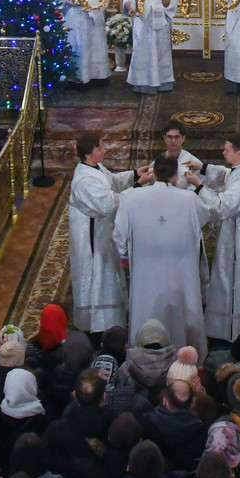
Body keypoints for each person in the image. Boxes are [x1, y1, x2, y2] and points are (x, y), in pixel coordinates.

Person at [114, 154, 211, 355]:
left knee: (146, 310)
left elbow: (119, 235)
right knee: (181, 313)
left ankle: (143, 354)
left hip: (145, 269)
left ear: (153, 173)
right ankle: (185, 355)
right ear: (176, 174)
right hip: (179, 270)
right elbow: (204, 218)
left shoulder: (132, 197)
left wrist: (124, 256)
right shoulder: (189, 199)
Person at [187, 134, 240, 343]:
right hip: (235, 229)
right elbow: (226, 174)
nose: (223, 152)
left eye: (227, 149)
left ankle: (237, 328)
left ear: (239, 153)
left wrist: (199, 186)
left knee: (234, 274)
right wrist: (202, 168)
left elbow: (222, 207)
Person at [70, 132, 145, 335]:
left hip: (103, 233)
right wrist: (138, 186)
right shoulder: (84, 180)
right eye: (100, 148)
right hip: (92, 239)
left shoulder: (95, 168)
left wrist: (136, 174)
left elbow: (113, 181)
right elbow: (110, 204)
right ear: (88, 153)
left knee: (109, 275)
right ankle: (98, 324)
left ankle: (111, 320)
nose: (105, 150)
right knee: (99, 277)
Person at [124, 0, 178, 95]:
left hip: (160, 24)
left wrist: (153, 9)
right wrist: (129, 5)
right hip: (141, 24)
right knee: (142, 51)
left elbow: (172, 1)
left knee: (160, 52)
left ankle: (163, 81)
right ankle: (141, 82)